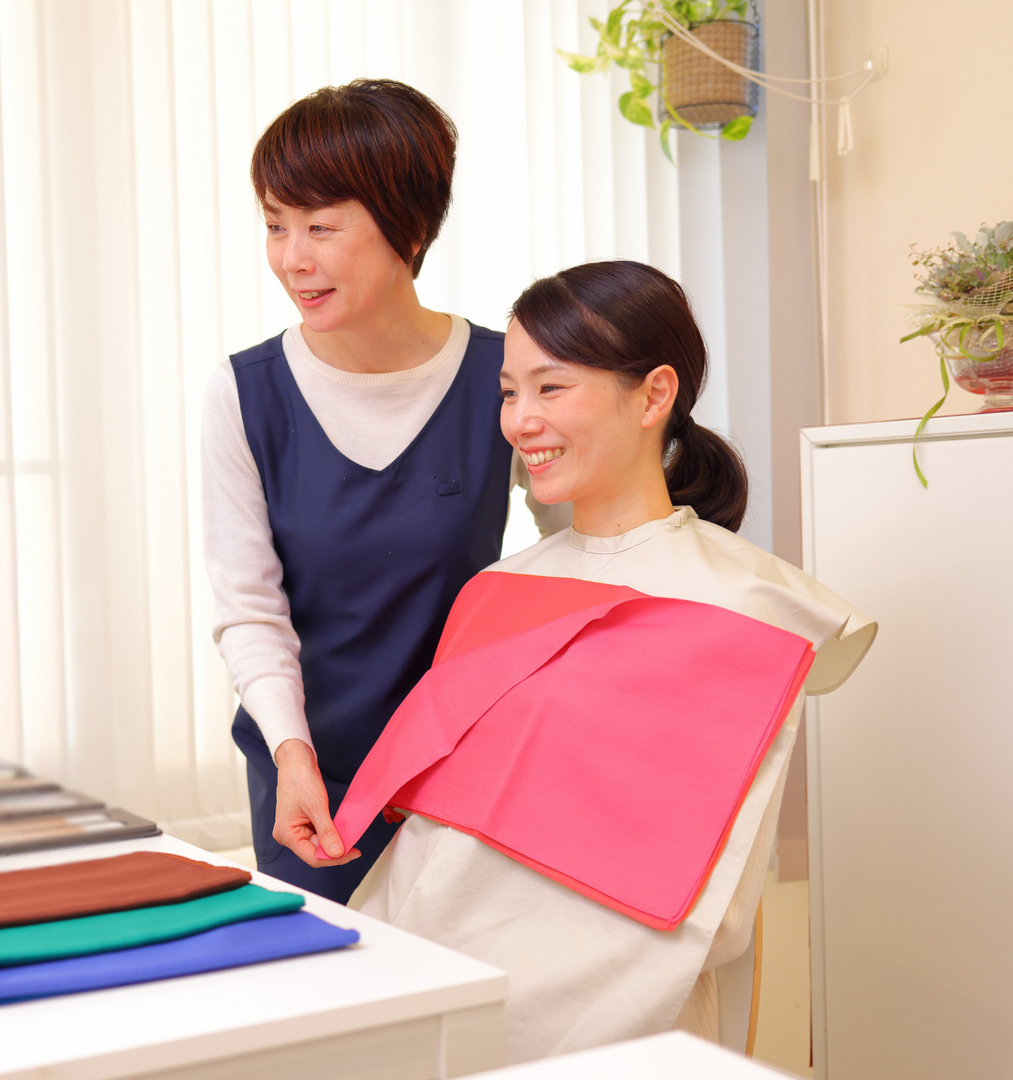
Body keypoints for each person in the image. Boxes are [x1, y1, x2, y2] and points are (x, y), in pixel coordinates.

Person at [343, 260, 877, 1060]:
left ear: (653, 395)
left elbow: (700, 903)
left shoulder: (752, 604)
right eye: (508, 392)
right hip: (426, 999)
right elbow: (429, 851)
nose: (521, 421)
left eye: (550, 388)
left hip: (605, 1032)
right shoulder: (495, 590)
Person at [202, 79, 566, 904]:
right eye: (275, 225)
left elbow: (577, 550)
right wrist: (291, 753)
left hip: (462, 768)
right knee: (332, 973)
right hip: (308, 772)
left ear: (409, 227)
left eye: (321, 227)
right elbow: (248, 609)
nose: (292, 258)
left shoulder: (502, 376)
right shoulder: (245, 393)